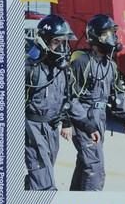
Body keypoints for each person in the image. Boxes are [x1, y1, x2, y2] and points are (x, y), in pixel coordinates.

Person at [24, 14, 98, 190]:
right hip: (32, 129)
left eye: (65, 42)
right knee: (44, 183)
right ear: (44, 41)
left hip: (51, 129)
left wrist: (89, 126)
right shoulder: (29, 68)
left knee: (41, 175)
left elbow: (70, 100)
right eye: (57, 42)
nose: (63, 47)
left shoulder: (62, 70)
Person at [68, 14, 125, 191]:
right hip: (84, 118)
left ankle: (74, 202)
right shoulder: (81, 61)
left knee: (85, 163)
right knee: (95, 168)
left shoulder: (110, 65)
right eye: (107, 34)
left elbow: (118, 91)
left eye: (113, 33)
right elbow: (70, 96)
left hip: (100, 118)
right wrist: (84, 125)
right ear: (96, 36)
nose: (112, 38)